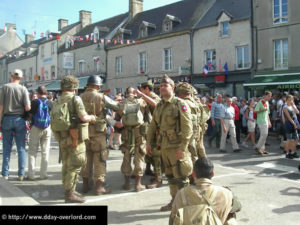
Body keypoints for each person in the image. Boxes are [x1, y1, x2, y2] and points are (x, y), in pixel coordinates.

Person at [147, 74, 193, 211]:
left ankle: (186, 204)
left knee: (182, 177)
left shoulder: (180, 104)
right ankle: (175, 201)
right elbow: (152, 126)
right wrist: (149, 143)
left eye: (165, 85)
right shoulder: (159, 106)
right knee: (170, 177)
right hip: (165, 147)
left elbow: (187, 128)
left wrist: (183, 148)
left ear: (172, 88)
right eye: (160, 86)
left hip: (177, 147)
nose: (162, 88)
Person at [51, 75, 96, 203]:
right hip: (75, 137)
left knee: (66, 164)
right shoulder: (75, 99)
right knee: (75, 164)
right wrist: (91, 117)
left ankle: (69, 189)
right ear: (75, 87)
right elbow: (83, 117)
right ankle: (69, 194)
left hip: (62, 138)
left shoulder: (57, 100)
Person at [169, 157, 241, 225]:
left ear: (194, 174)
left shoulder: (181, 194)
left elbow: (172, 220)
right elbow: (238, 207)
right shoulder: (226, 193)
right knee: (231, 217)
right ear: (212, 174)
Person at [80, 75, 118, 195]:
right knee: (100, 160)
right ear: (97, 86)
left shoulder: (79, 97)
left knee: (86, 159)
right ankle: (99, 187)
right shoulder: (101, 97)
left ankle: (85, 185)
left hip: (84, 133)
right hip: (98, 133)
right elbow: (116, 106)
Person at [0, 69, 31, 181]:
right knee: (21, 148)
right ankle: (21, 174)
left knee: (6, 147)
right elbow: (28, 107)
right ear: (21, 78)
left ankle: (5, 173)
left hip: (7, 119)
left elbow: (1, 107)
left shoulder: (5, 87)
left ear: (11, 76)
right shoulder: (23, 89)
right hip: (19, 120)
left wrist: (0, 121)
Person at [117, 87, 149, 192]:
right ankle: (137, 184)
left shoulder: (122, 103)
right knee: (139, 155)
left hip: (126, 131)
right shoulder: (141, 101)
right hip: (139, 131)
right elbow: (146, 116)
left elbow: (117, 118)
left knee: (127, 155)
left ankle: (126, 184)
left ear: (126, 93)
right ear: (134, 93)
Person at [135, 80, 162, 189]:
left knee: (156, 154)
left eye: (142, 89)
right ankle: (149, 169)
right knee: (149, 151)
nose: (140, 92)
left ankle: (158, 179)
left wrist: (141, 95)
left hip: (157, 130)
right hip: (150, 129)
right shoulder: (146, 97)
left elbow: (156, 105)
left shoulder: (154, 97)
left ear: (146, 89)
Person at [27, 86, 52, 180]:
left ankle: (31, 174)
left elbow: (28, 113)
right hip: (47, 128)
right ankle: (43, 174)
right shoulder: (50, 102)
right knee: (45, 152)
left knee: (32, 151)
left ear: (37, 93)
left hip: (35, 128)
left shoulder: (34, 102)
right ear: (46, 93)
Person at [283, 95, 299, 159]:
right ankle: (287, 153)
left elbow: (297, 112)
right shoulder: (285, 107)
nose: (290, 101)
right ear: (286, 100)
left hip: (294, 121)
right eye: (289, 100)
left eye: (291, 99)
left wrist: (293, 106)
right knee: (289, 139)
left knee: (296, 138)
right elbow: (289, 117)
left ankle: (292, 152)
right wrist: (294, 124)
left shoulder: (293, 106)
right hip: (289, 123)